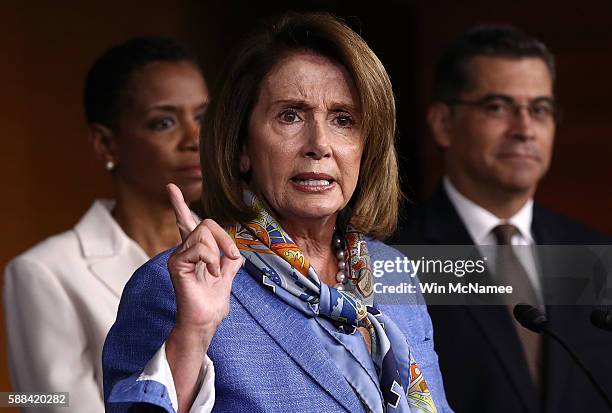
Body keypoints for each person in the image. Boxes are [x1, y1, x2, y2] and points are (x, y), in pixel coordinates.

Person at [102, 13, 453, 413]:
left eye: (343, 120)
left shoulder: (394, 270)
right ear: (242, 146)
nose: (319, 144)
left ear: (366, 147)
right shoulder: (172, 286)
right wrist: (194, 332)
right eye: (290, 115)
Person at [392, 25, 612, 412]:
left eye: (539, 109)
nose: (525, 129)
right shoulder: (395, 255)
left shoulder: (594, 253)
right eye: (497, 107)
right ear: (443, 123)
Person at [3, 37, 209, 413]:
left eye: (202, 118)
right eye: (163, 122)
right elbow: (52, 403)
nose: (194, 140)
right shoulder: (44, 272)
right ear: (105, 144)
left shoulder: (241, 251)